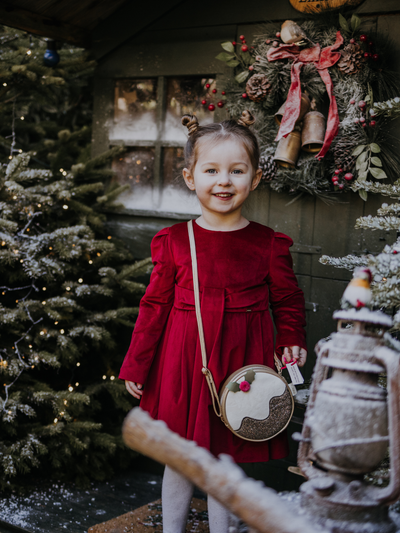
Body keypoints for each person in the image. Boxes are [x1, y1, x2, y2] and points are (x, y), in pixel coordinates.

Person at [119, 110, 307, 533]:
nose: (224, 181)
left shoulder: (268, 245)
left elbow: (288, 301)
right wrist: (137, 364)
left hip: (243, 366)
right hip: (185, 363)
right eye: (211, 170)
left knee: (225, 460)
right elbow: (153, 308)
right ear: (191, 178)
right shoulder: (174, 243)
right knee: (182, 457)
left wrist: (291, 336)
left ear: (255, 178)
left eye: (236, 170)